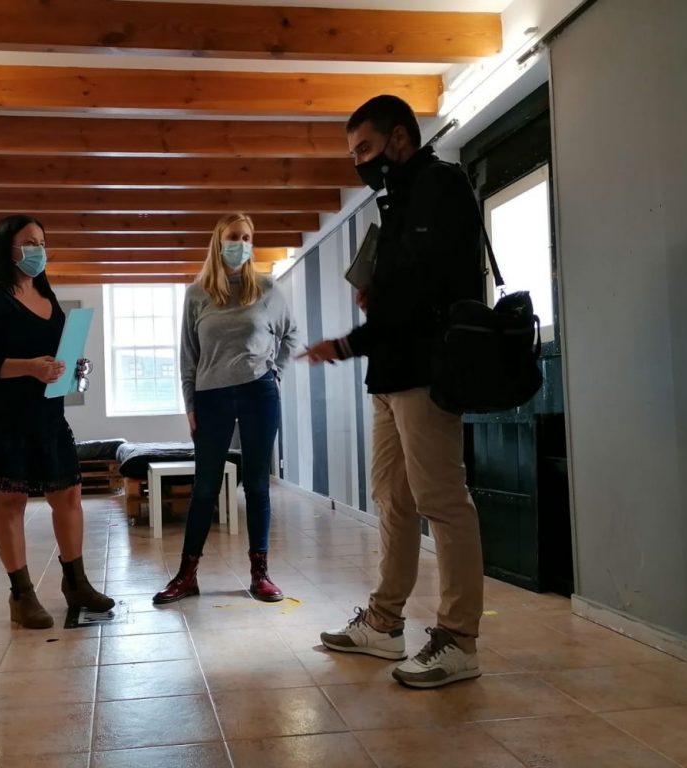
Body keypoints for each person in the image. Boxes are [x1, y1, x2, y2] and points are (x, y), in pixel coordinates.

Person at [300, 95, 485, 688]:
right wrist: (372, 299)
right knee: (393, 500)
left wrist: (351, 340)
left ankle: (459, 639)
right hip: (389, 375)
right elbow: (400, 286)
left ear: (399, 139)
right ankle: (384, 623)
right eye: (352, 152)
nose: (358, 161)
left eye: (364, 149)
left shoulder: (438, 186)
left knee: (443, 501)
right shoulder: (398, 199)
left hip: (426, 372)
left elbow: (419, 293)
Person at [0, 214, 113, 629]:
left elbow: (51, 352)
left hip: (46, 413)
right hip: (0, 414)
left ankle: (76, 583)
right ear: (8, 249)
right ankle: (21, 595)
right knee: (11, 501)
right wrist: (27, 367)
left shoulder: (47, 296)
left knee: (69, 493)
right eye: (29, 242)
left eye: (42, 242)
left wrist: (70, 363)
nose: (38, 250)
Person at [153, 213, 298, 605]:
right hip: (211, 397)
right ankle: (187, 575)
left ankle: (260, 574)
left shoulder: (267, 288)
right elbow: (187, 355)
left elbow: (291, 335)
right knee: (205, 487)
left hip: (258, 393)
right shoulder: (197, 294)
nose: (241, 243)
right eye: (234, 237)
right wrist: (189, 404)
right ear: (219, 242)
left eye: (247, 237)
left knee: (256, 485)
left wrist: (276, 375)